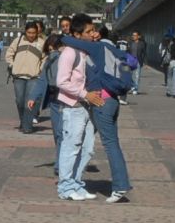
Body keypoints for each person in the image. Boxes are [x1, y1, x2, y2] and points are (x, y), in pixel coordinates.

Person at [62, 21, 135, 203]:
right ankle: (80, 181)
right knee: (111, 143)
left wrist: (64, 35)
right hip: (113, 100)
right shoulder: (113, 48)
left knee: (109, 144)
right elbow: (132, 63)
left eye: (93, 31)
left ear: (98, 34)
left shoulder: (96, 48)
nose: (91, 34)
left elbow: (67, 39)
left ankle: (119, 186)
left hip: (101, 101)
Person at [55, 14, 106, 201]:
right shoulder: (69, 53)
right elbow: (61, 81)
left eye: (93, 30)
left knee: (88, 148)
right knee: (71, 146)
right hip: (74, 105)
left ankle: (77, 182)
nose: (93, 33)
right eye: (89, 31)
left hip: (88, 106)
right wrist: (85, 94)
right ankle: (66, 187)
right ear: (77, 34)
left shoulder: (88, 51)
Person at [28, 34, 64, 176]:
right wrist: (33, 97)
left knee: (62, 132)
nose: (52, 52)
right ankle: (60, 161)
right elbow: (43, 79)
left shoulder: (67, 57)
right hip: (54, 98)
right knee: (57, 133)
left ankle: (61, 164)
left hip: (67, 98)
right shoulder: (49, 60)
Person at [5, 21, 45, 134]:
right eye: (29, 32)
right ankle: (23, 121)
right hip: (18, 76)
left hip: (33, 77)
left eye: (33, 33)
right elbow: (9, 54)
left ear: (37, 32)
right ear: (25, 31)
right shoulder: (18, 41)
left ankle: (27, 126)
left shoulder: (42, 43)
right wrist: (12, 65)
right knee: (19, 101)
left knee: (29, 102)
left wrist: (40, 69)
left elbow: (45, 58)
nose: (31, 35)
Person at [161, 33, 175, 98]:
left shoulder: (170, 46)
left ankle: (168, 92)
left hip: (171, 62)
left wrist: (162, 62)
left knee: (169, 77)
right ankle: (174, 93)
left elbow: (166, 54)